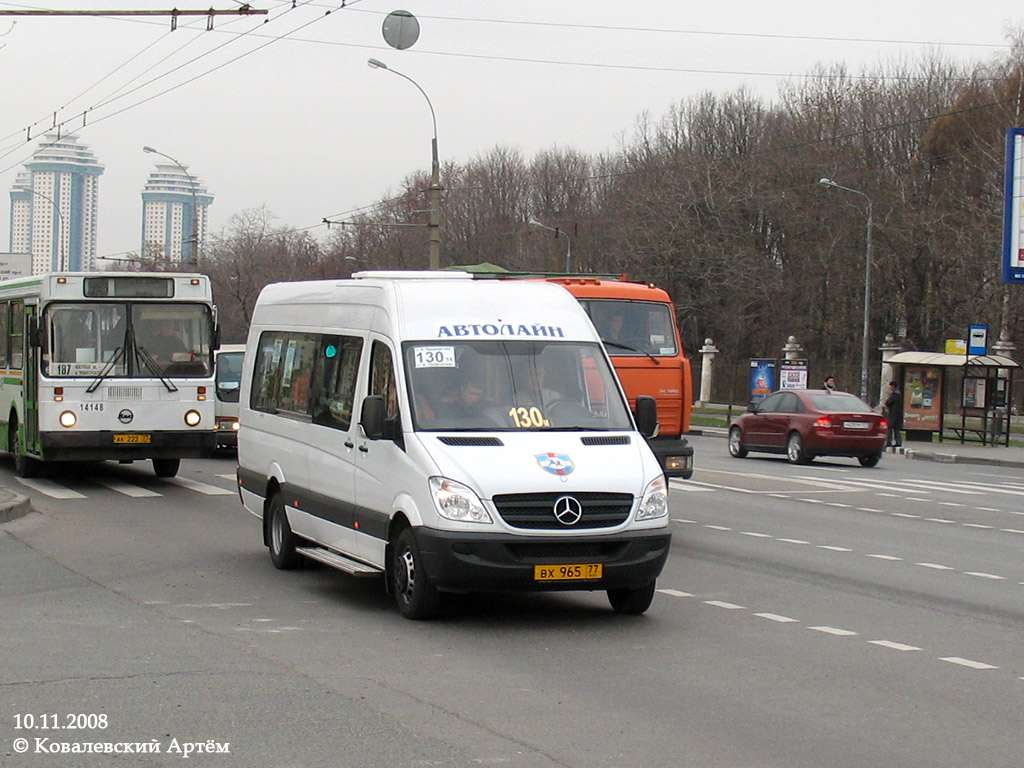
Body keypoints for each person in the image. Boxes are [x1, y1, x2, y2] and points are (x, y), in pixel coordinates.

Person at [883, 380, 904, 450]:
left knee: (890, 428)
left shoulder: (894, 395)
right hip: (898, 414)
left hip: (893, 414)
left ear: (893, 386)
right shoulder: (899, 395)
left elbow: (888, 402)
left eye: (890, 386)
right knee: (896, 429)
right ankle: (898, 442)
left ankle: (889, 442)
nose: (890, 387)